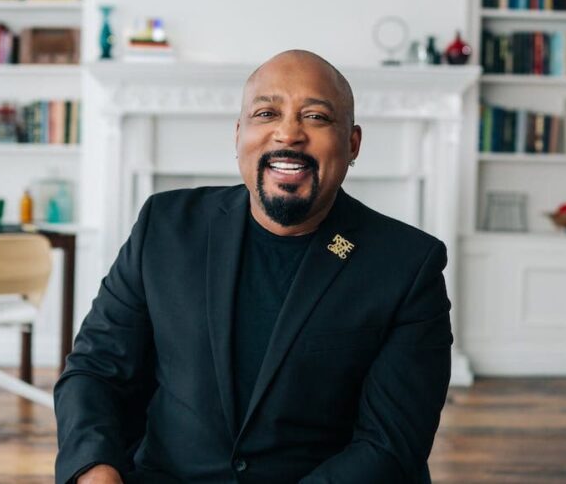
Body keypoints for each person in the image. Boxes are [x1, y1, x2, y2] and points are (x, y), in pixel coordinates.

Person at [54, 50, 453, 484]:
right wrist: (95, 470)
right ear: (239, 133)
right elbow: (96, 370)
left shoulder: (407, 265)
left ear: (352, 143)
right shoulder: (165, 227)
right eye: (266, 113)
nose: (288, 133)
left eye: (316, 117)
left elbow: (390, 443)